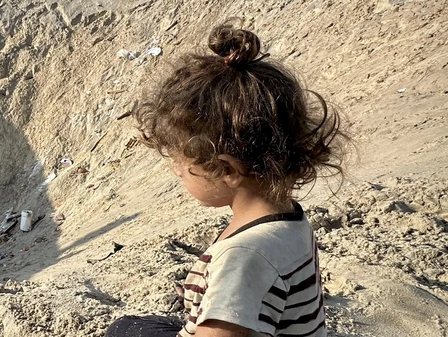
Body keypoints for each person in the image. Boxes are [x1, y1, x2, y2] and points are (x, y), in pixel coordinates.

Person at [107, 25, 339, 337]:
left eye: (180, 161)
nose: (176, 171)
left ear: (227, 169)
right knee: (130, 327)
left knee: (123, 332)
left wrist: (222, 296)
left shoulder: (243, 257)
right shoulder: (284, 217)